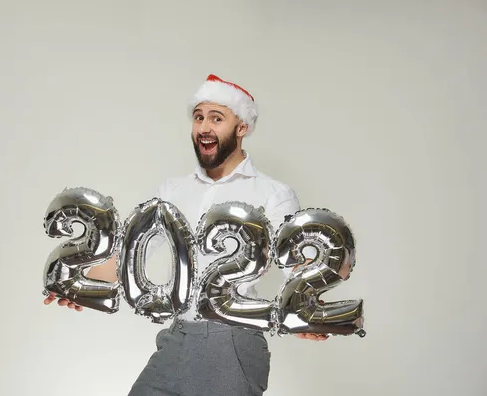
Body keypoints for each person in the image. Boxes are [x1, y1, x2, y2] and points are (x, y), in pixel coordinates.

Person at [44, 74, 328, 395]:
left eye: (216, 118)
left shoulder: (272, 193)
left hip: (231, 344)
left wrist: (309, 312)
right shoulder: (173, 190)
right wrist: (76, 283)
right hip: (176, 336)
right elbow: (127, 258)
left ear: (241, 127)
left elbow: (298, 271)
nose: (204, 127)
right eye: (199, 117)